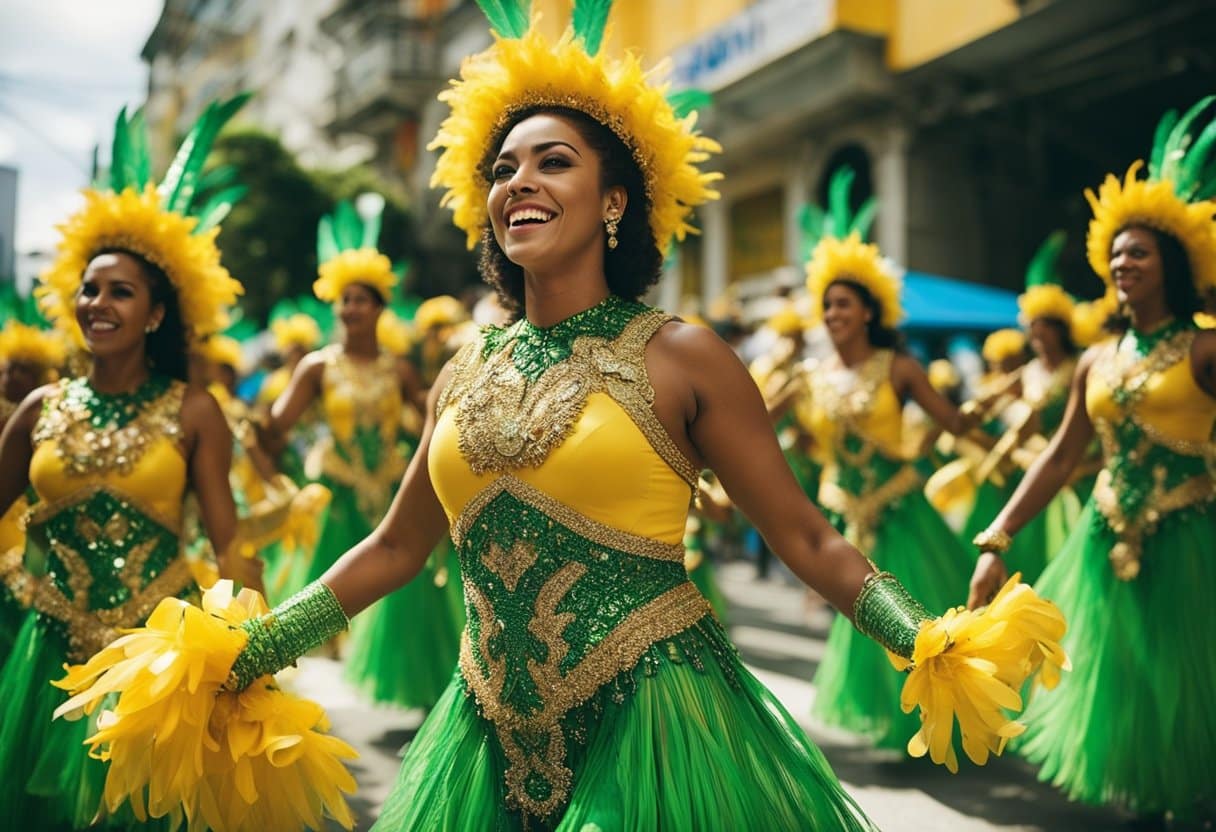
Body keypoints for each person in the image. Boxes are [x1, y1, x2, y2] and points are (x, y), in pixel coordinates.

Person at [66, 6, 1065, 830]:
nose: (519, 184)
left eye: (552, 163)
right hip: (483, 733)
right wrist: (248, 651)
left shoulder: (680, 354)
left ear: (615, 200)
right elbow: (394, 547)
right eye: (502, 169)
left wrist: (923, 637)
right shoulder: (461, 367)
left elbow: (800, 533)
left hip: (660, 729)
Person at [0, 97, 261, 826]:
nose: (99, 302)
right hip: (41, 654)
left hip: (154, 660)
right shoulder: (39, 409)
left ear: (154, 315)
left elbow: (228, 539)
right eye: (89, 288)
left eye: (122, 291)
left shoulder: (194, 409)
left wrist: (250, 644)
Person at [969, 97, 1216, 822]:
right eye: (1114, 254)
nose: (1122, 263)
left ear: (1170, 262)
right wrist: (997, 539)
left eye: (1138, 252)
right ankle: (1159, 800)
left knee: (1191, 679)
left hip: (1192, 539)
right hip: (1105, 542)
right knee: (1128, 683)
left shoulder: (1206, 347)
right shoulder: (1096, 361)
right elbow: (1057, 458)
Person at [260, 202, 459, 709]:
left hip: (391, 489)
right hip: (338, 495)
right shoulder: (316, 368)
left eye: (360, 301)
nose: (349, 309)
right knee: (322, 598)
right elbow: (273, 428)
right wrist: (271, 479)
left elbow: (436, 422)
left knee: (403, 595)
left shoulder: (401, 369)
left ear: (379, 309)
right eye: (343, 301)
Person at [799, 228, 983, 751]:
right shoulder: (811, 376)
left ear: (868, 313)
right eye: (827, 305)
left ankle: (941, 720)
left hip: (900, 510)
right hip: (844, 514)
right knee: (862, 617)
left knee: (919, 613)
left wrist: (986, 416)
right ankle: (896, 723)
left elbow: (949, 418)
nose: (833, 314)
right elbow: (764, 428)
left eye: (844, 305)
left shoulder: (899, 366)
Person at [0, 321, 67, 661]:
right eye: (7, 369)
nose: (11, 378)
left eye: (23, 371)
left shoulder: (43, 419)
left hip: (26, 538)